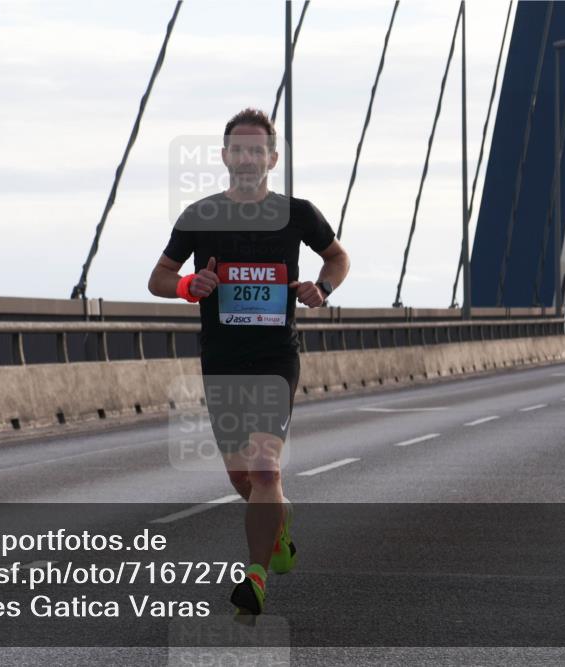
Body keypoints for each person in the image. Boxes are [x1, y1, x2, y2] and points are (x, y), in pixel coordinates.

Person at [148, 108, 350, 615]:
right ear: (224, 156)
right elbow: (158, 278)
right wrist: (188, 285)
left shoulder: (297, 212)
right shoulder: (200, 216)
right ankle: (277, 531)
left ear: (272, 158)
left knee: (264, 468)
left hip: (276, 357)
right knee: (243, 479)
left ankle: (255, 577)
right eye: (238, 149)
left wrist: (320, 287)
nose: (247, 158)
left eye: (257, 150)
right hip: (222, 360)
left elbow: (338, 257)